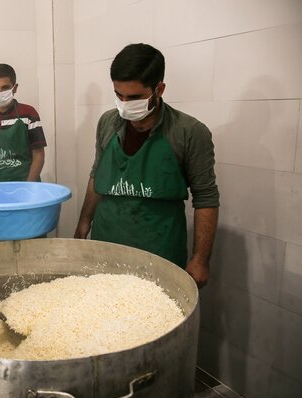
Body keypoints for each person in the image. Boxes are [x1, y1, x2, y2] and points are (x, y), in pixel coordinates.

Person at [74, 43, 219, 289]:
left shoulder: (189, 132)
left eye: (134, 97)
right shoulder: (108, 123)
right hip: (107, 243)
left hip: (159, 249)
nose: (125, 104)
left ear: (159, 89)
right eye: (119, 95)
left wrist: (200, 258)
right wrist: (83, 224)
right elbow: (97, 174)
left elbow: (206, 198)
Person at [0, 63, 46, 183]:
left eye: (5, 87)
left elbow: (39, 154)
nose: (0, 92)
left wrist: (29, 185)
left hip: (24, 184)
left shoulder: (28, 114)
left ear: (15, 88)